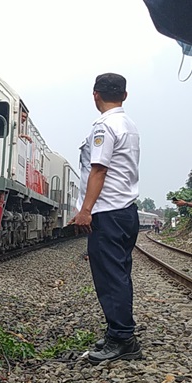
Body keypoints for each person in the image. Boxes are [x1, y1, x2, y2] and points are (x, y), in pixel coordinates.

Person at [69, 73, 141, 364]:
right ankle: (118, 333)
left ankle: (123, 339)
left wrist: (85, 210)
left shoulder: (105, 125)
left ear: (95, 94)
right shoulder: (128, 124)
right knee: (119, 275)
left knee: (110, 278)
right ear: (124, 95)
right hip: (125, 211)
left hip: (108, 212)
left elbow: (99, 169)